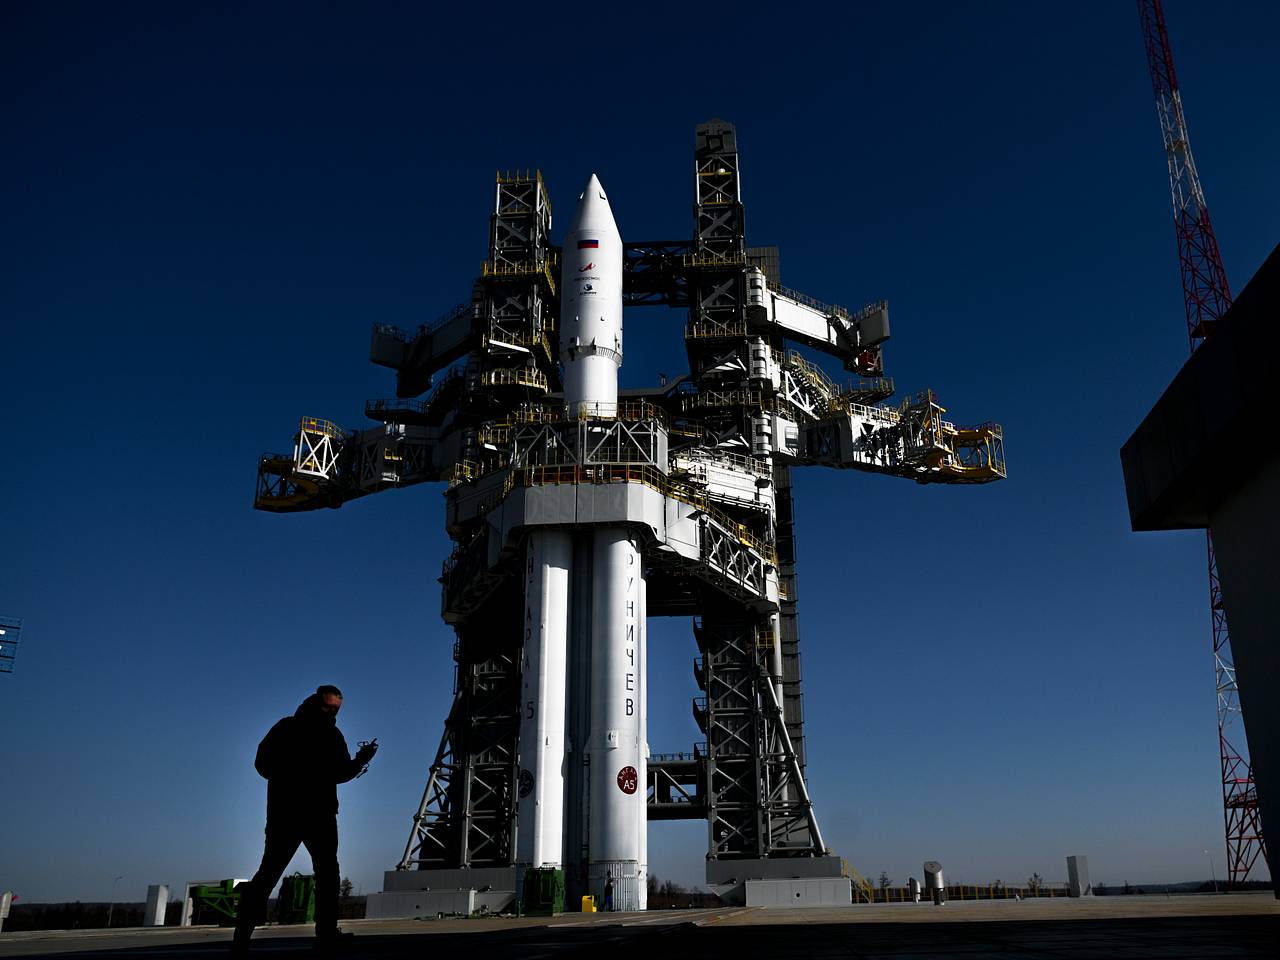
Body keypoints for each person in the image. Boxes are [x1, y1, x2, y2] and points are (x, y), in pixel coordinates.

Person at [232, 685, 377, 956]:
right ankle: (245, 938)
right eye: (327, 706)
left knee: (319, 874)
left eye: (335, 709)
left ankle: (321, 936)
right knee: (281, 873)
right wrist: (302, 772)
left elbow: (339, 772)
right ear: (313, 702)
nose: (331, 712)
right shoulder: (294, 729)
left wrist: (360, 760)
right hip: (300, 814)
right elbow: (264, 763)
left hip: (308, 814)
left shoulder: (317, 732)